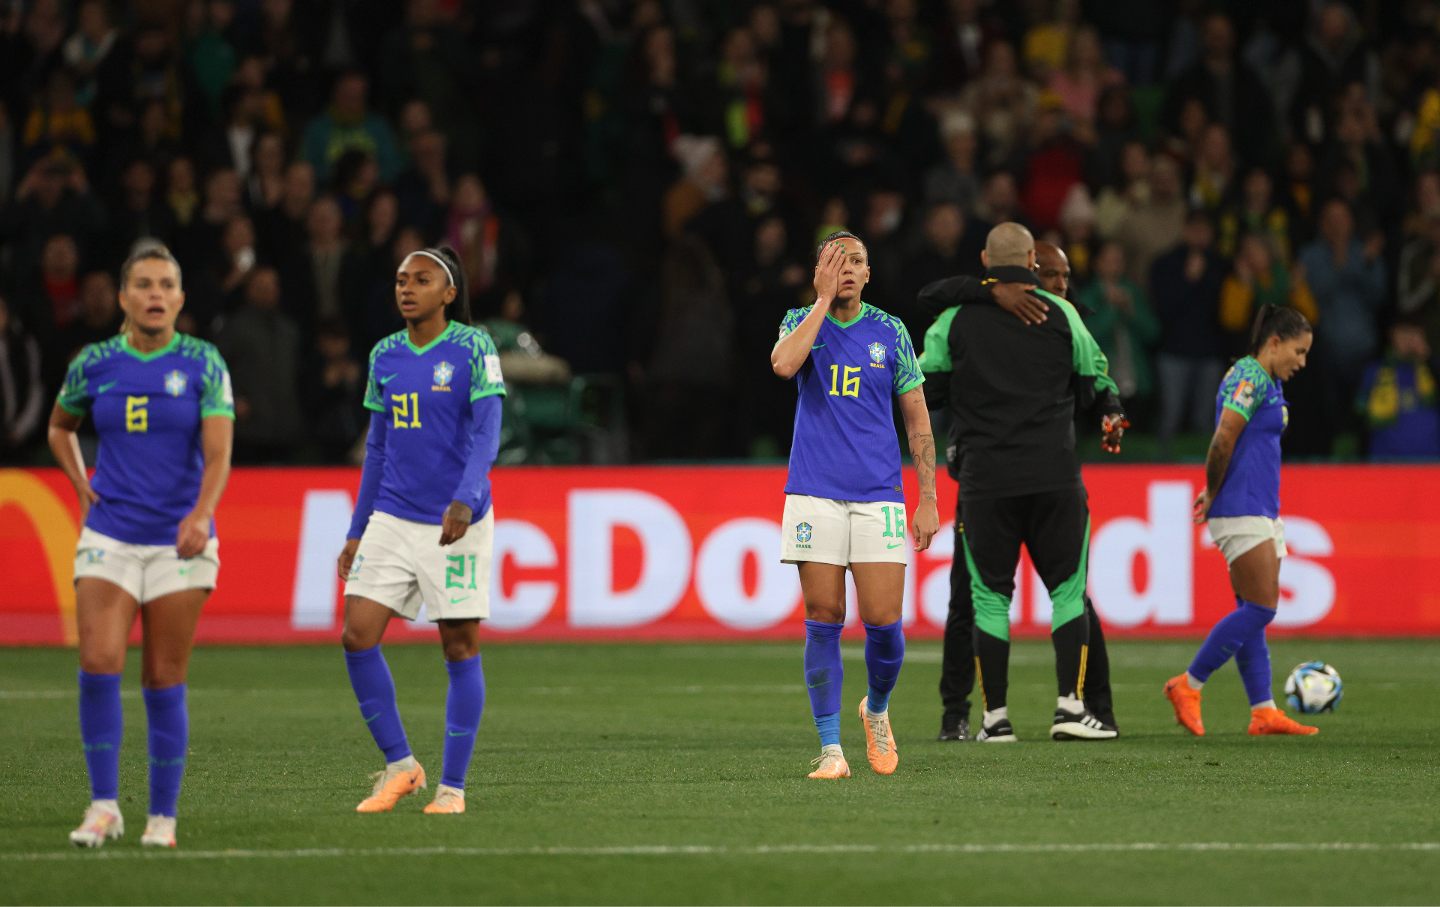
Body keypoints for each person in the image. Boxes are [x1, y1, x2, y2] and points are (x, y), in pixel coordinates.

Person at [48, 245, 235, 848]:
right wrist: (81, 484)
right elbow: (59, 426)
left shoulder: (203, 363)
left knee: (162, 676)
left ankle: (162, 816)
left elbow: (219, 452)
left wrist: (202, 515)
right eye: (144, 284)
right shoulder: (94, 363)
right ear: (124, 297)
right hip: (111, 535)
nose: (156, 294)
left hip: (179, 542)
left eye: (166, 285)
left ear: (180, 299)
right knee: (98, 662)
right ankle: (104, 806)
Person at [920, 224, 1125, 743]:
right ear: (1034, 260)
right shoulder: (1063, 314)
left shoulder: (953, 321)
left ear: (986, 258)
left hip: (985, 482)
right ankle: (1070, 709)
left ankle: (994, 720)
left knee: (987, 600)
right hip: (1053, 475)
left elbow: (920, 388)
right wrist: (1111, 413)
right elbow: (1097, 380)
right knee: (1068, 592)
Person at [336, 245, 505, 815]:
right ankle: (401, 766)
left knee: (458, 645)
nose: (406, 288)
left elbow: (487, 434)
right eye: (402, 280)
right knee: (357, 634)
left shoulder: (472, 347)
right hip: (391, 514)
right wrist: (358, 529)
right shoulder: (384, 354)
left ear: (449, 294)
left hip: (454, 523)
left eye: (422, 279)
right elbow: (377, 449)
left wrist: (465, 499)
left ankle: (452, 789)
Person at [770, 231, 940, 780]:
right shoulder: (800, 321)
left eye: (857, 260)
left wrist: (928, 498)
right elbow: (782, 366)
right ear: (820, 269)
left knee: (884, 622)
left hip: (879, 497)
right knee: (823, 617)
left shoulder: (891, 332)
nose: (847, 268)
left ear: (869, 273)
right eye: (836, 260)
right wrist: (819, 303)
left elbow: (917, 418)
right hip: (814, 492)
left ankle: (878, 710)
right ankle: (831, 749)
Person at [1164, 307, 1319, 737]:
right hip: (1240, 507)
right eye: (1298, 351)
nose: (1301, 362)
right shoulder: (1248, 377)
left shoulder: (1264, 381)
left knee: (1250, 609)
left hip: (1260, 507)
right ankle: (1187, 685)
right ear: (1274, 342)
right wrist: (1213, 492)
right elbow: (1223, 437)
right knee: (1263, 607)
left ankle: (1263, 711)